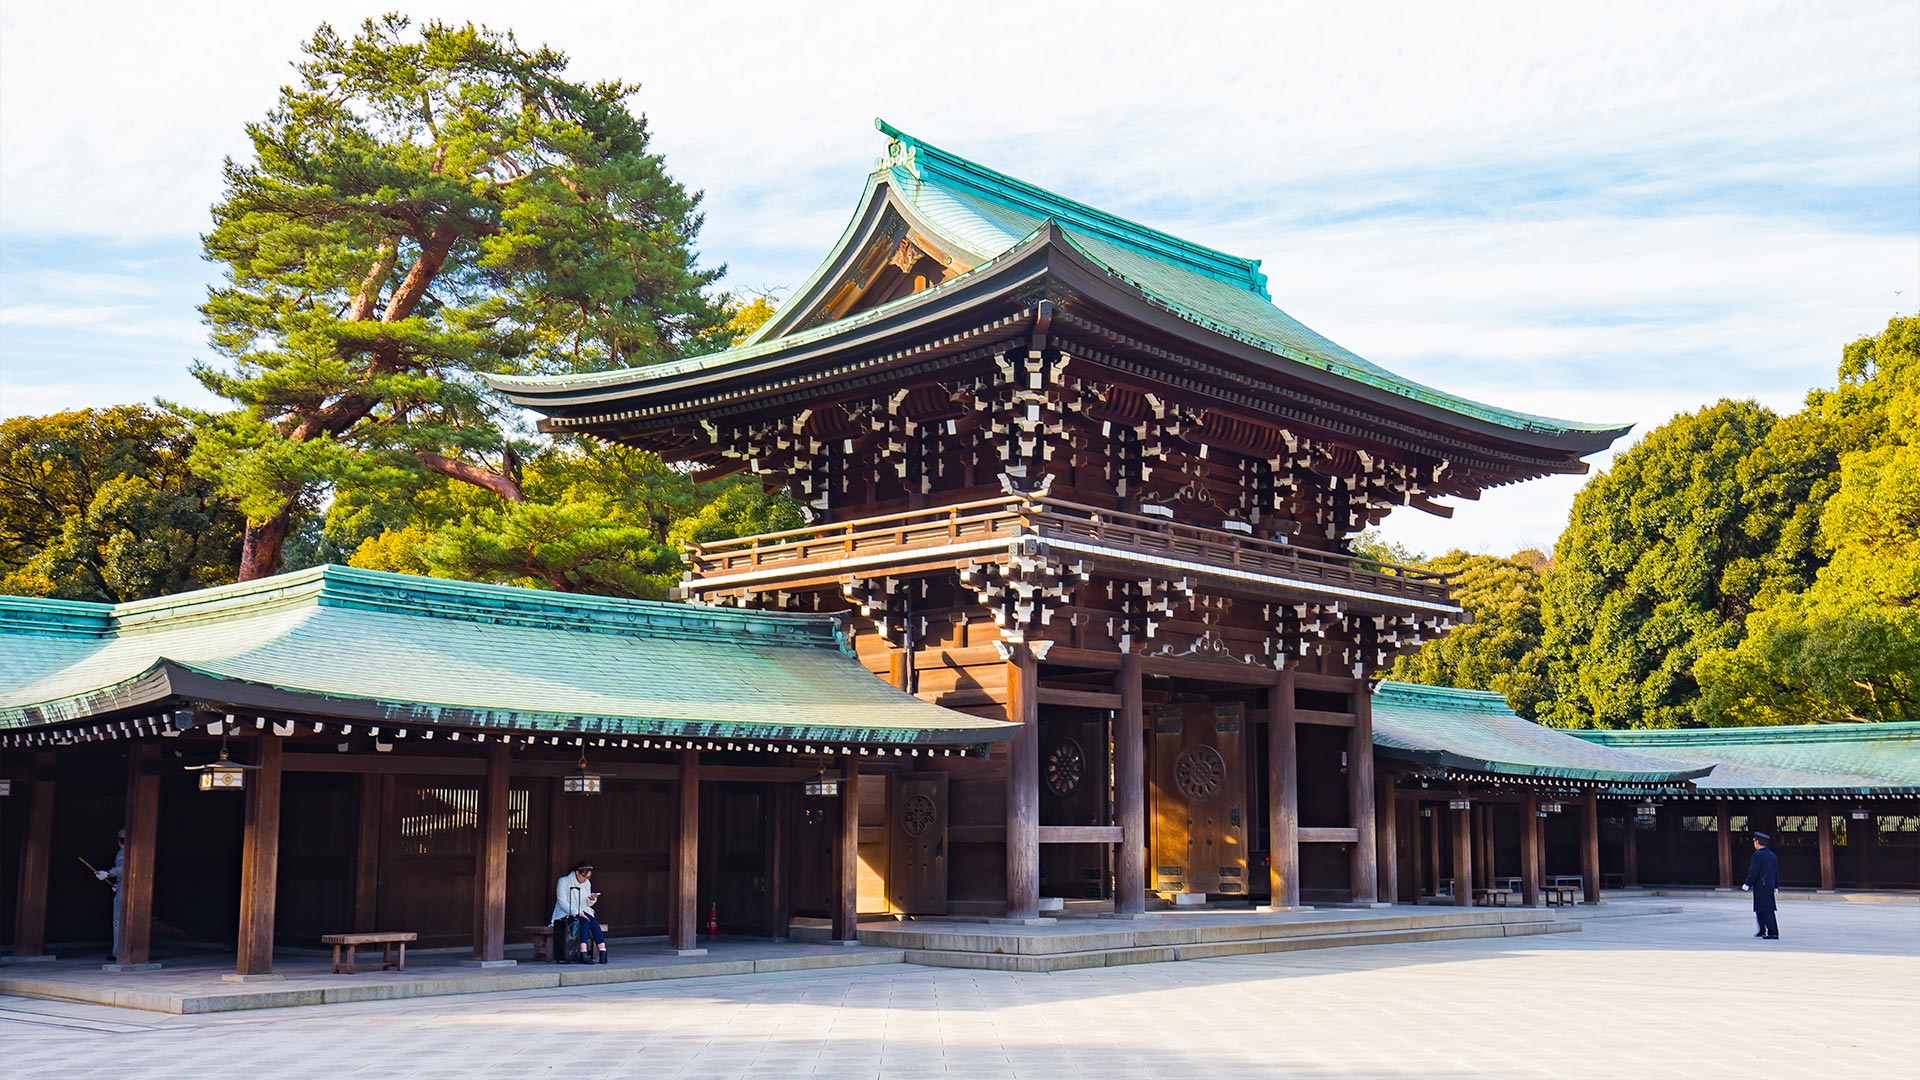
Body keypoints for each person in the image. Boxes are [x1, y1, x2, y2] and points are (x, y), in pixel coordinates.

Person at [552, 862, 607, 963]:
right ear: (577, 873)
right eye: (584, 876)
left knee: (593, 921)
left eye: (588, 877)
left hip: (583, 911)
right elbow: (562, 902)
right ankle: (583, 952)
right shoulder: (564, 881)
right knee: (584, 921)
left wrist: (591, 899)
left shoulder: (587, 883)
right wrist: (576, 912)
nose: (585, 879)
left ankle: (603, 951)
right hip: (566, 913)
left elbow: (587, 903)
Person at [1741, 832, 1780, 940]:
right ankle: (1762, 929)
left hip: (1760, 885)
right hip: (1769, 885)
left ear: (1757, 842)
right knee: (1760, 908)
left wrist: (1747, 884)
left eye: (1754, 841)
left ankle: (1773, 932)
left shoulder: (1757, 855)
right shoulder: (1772, 855)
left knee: (1766, 909)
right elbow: (1776, 872)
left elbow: (1754, 871)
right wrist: (1776, 885)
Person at [94, 829, 125, 958]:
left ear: (119, 841)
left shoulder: (123, 852)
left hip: (123, 894)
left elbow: (124, 869)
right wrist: (118, 885)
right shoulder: (140, 852)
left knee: (118, 921)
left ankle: (118, 953)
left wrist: (108, 873)